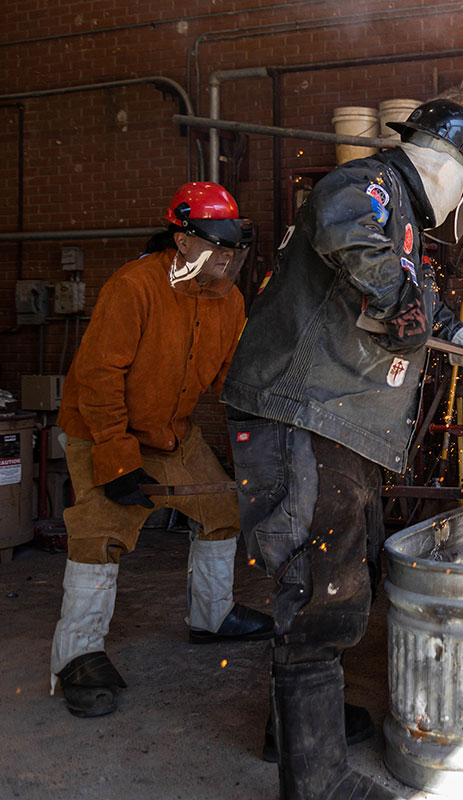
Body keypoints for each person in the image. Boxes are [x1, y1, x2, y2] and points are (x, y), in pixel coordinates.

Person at [220, 99, 463, 799]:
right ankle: (319, 783)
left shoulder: (405, 230)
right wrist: (402, 302)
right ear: (453, 169)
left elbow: (427, 317)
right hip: (306, 417)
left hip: (338, 427)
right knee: (319, 599)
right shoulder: (370, 188)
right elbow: (349, 234)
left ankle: (296, 731)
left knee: (333, 584)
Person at [50, 182, 271, 719]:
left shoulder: (229, 298)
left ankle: (211, 617)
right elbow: (98, 377)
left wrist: (266, 430)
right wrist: (117, 458)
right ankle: (76, 655)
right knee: (101, 532)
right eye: (214, 249)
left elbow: (231, 378)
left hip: (170, 430)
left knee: (220, 510)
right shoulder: (135, 286)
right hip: (101, 427)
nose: (223, 260)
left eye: (230, 250)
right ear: (182, 239)